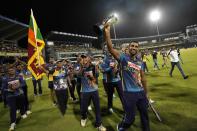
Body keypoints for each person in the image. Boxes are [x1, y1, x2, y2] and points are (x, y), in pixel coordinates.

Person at [104, 24, 150, 131]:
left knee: (144, 116)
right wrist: (107, 32)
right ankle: (121, 126)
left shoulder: (140, 62)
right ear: (129, 47)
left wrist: (146, 93)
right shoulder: (123, 58)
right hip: (129, 93)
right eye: (132, 46)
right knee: (130, 118)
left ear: (138, 49)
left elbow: (143, 78)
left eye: (136, 46)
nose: (134, 47)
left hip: (141, 93)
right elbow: (111, 49)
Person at [79, 55, 106, 131]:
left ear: (89, 60)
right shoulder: (81, 67)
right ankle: (84, 117)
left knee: (97, 108)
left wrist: (96, 67)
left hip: (94, 90)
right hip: (85, 91)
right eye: (83, 58)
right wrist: (82, 67)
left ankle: (99, 124)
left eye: (86, 58)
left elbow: (97, 75)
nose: (85, 59)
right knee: (83, 108)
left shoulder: (93, 67)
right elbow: (78, 75)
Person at [1, 66, 27, 131]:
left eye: (12, 70)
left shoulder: (19, 76)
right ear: (8, 72)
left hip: (19, 94)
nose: (11, 71)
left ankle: (22, 113)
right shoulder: (5, 79)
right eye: (10, 70)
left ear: (14, 70)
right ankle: (13, 122)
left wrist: (17, 86)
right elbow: (3, 89)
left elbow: (23, 83)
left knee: (21, 105)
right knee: (12, 109)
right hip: (11, 96)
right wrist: (9, 90)